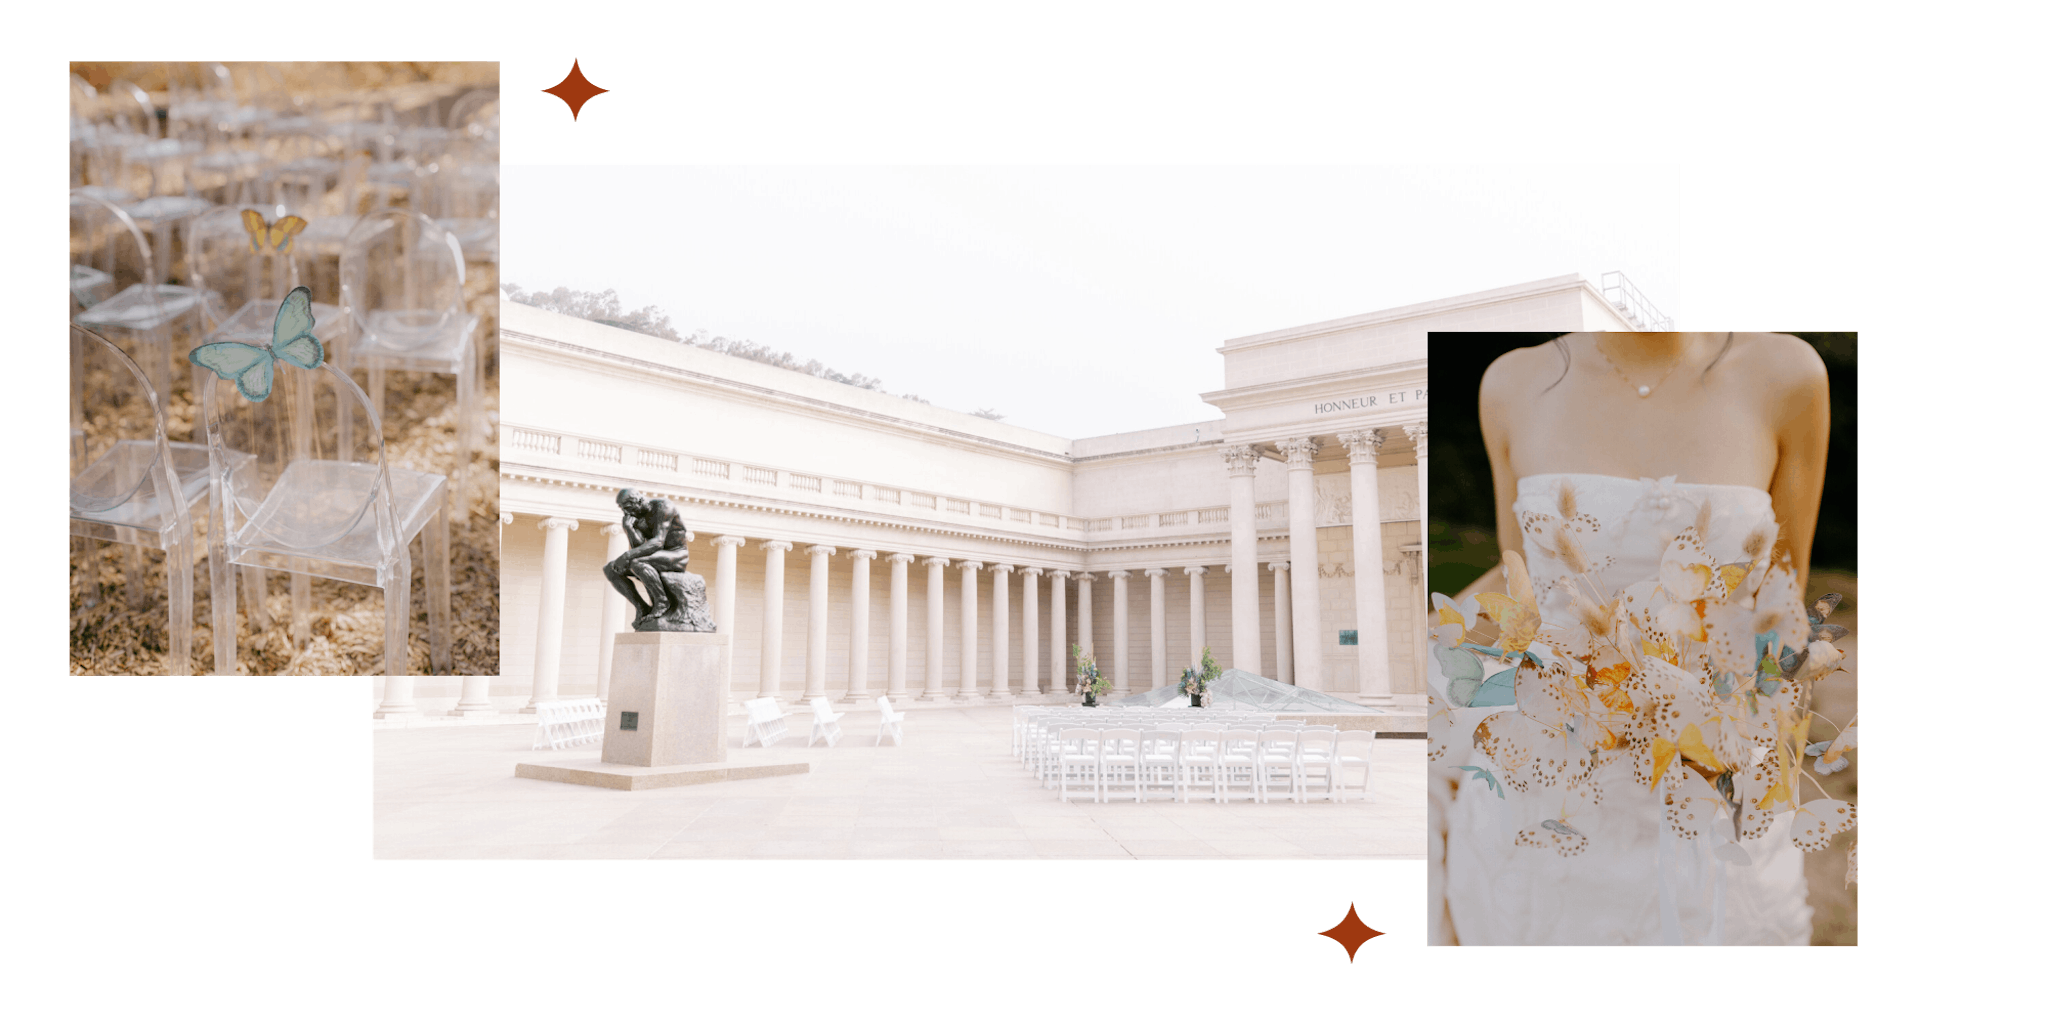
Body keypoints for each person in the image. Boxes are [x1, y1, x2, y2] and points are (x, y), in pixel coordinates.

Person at [1430, 331, 1843, 946]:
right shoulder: (1512, 382)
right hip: (1550, 790)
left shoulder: (1787, 373)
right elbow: (1526, 587)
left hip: (1710, 783)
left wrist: (1738, 731)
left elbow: (1781, 608)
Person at [604, 488, 692, 620]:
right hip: (655, 557)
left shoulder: (663, 506)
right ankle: (641, 607)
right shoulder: (637, 516)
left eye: (628, 508)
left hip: (677, 555)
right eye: (623, 510)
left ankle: (662, 602)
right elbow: (639, 548)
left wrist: (627, 556)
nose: (626, 513)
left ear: (639, 501)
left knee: (637, 562)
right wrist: (629, 529)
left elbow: (658, 542)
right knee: (611, 569)